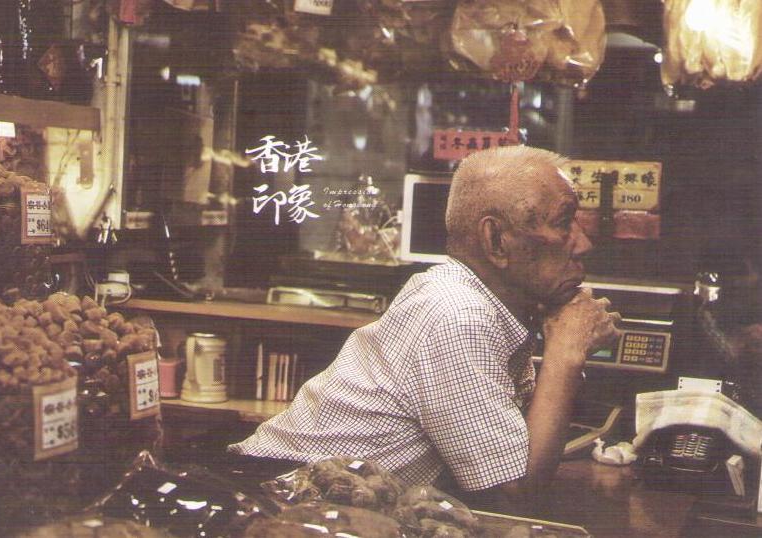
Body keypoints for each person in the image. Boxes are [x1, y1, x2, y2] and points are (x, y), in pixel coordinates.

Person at [228, 146, 621, 509]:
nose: (583, 244)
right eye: (564, 222)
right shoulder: (456, 311)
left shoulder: (480, 300)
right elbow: (512, 491)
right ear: (496, 240)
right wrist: (566, 352)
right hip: (277, 504)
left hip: (325, 503)